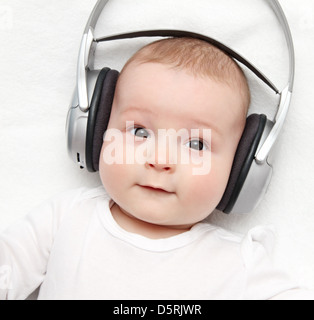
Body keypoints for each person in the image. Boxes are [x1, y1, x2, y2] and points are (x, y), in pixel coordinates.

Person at [0, 38, 312, 300]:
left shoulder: (242, 264)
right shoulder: (66, 218)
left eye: (196, 144)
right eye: (139, 132)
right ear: (94, 133)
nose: (160, 159)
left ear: (241, 172)